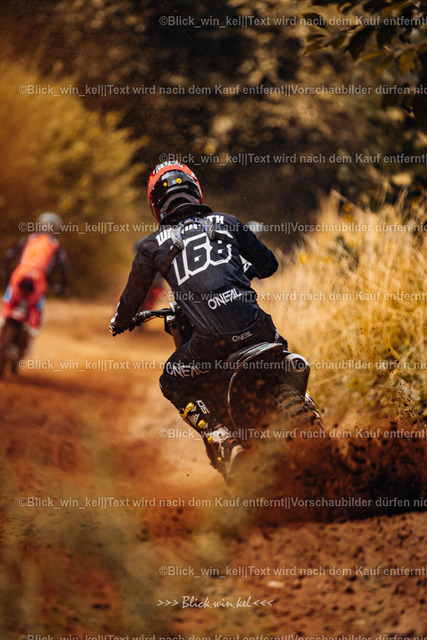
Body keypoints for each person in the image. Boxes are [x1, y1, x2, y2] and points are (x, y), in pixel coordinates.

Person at [110, 161, 286, 482]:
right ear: (196, 191)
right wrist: (244, 271)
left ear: (156, 205)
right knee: (281, 353)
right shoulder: (228, 221)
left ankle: (223, 440)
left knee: (170, 380)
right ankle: (300, 402)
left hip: (210, 343)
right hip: (258, 328)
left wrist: (120, 321)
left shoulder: (152, 244)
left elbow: (133, 297)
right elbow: (269, 265)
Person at [1, 212, 70, 358]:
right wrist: (62, 287)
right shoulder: (55, 245)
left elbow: (9, 255)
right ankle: (30, 339)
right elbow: (64, 269)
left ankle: (2, 322)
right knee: (35, 311)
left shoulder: (29, 239)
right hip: (38, 281)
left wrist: (6, 274)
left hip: (19, 276)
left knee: (8, 305)